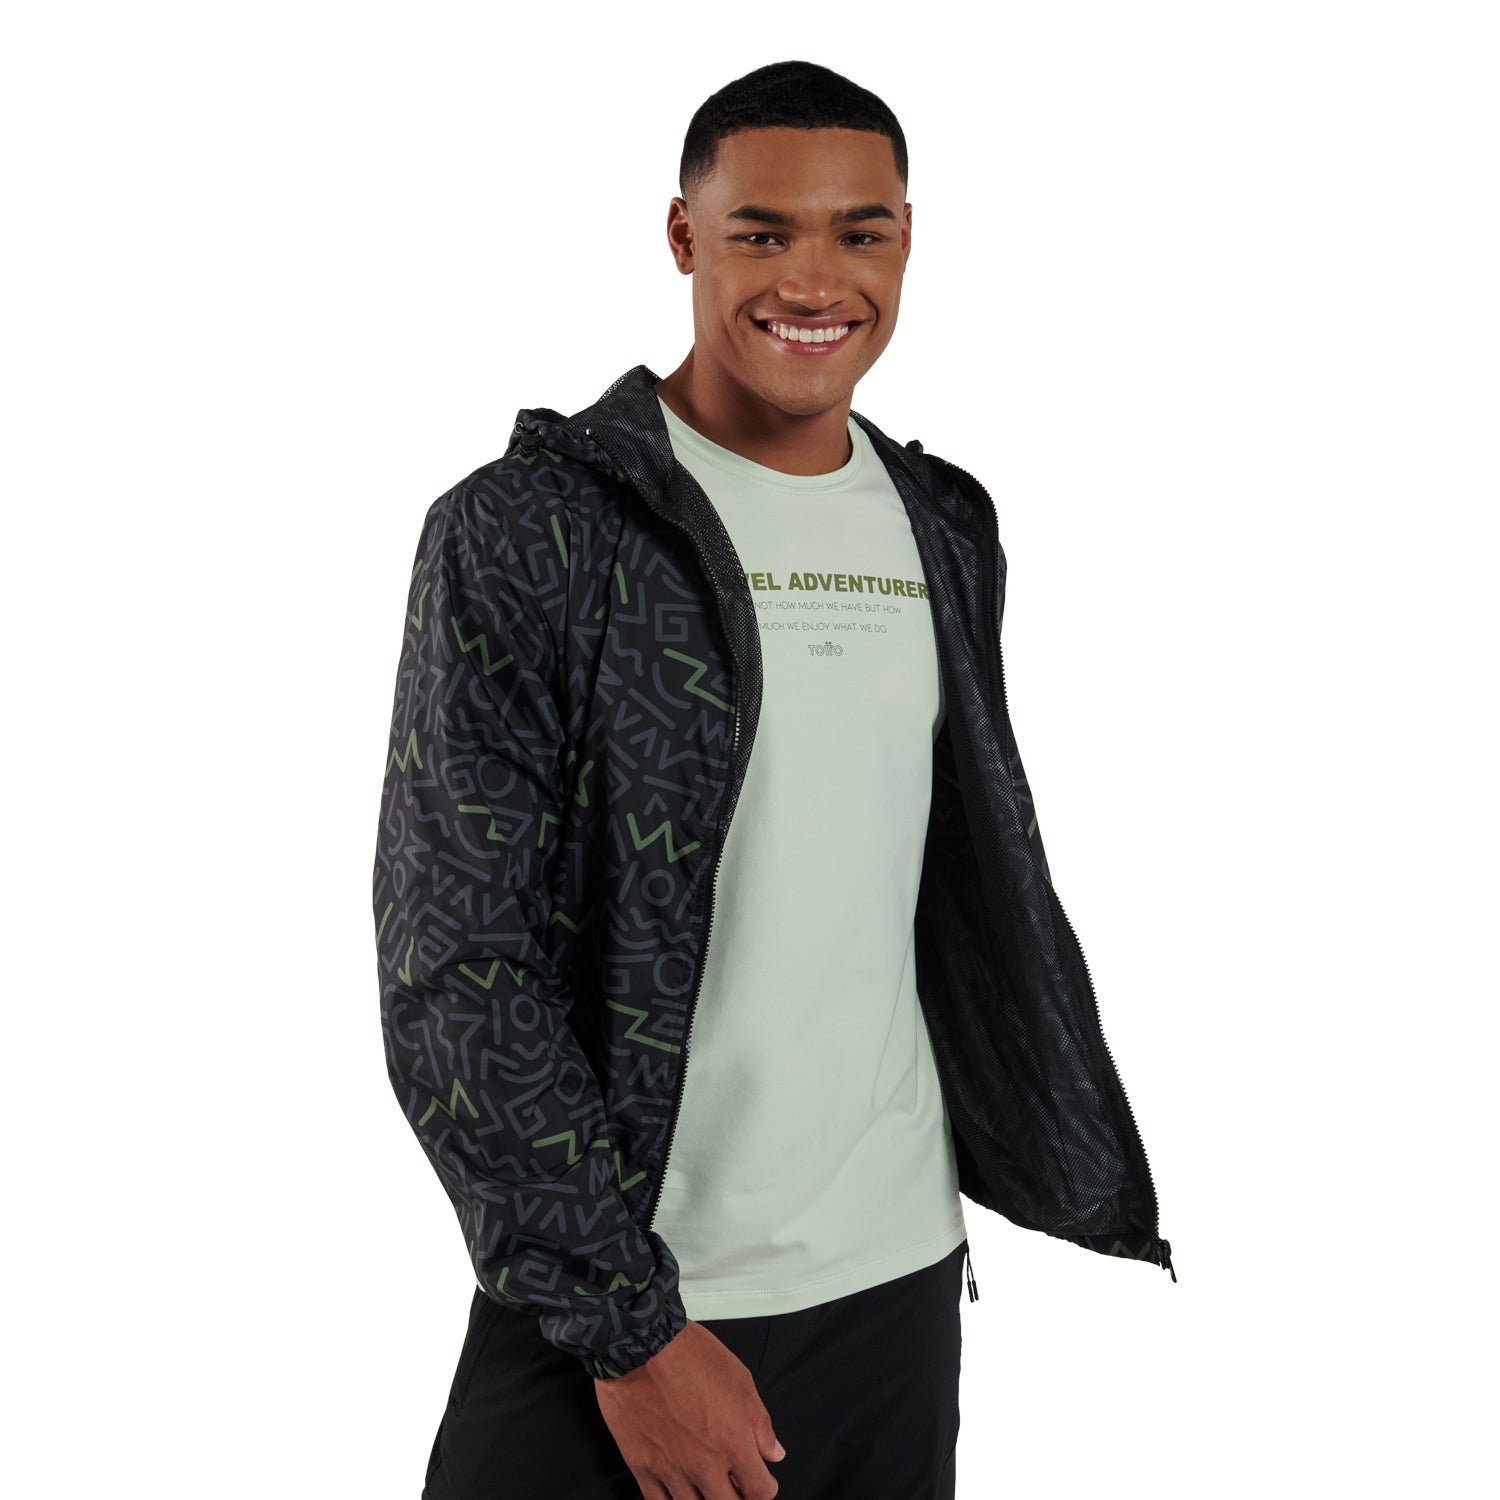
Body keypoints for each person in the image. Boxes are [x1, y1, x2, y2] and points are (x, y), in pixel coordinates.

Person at [373, 59, 1174, 1500]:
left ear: (907, 240)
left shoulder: (942, 521)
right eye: (763, 231)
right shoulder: (532, 530)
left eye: (861, 232)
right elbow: (457, 965)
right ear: (684, 236)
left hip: (895, 1282)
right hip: (629, 1300)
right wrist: (631, 1331)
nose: (815, 279)